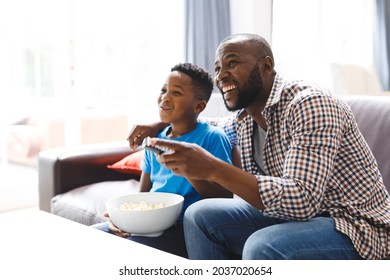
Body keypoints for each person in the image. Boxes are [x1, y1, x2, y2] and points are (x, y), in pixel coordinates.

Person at [128, 34, 390, 260]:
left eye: (232, 63)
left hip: (354, 226)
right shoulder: (246, 118)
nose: (221, 76)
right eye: (218, 68)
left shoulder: (310, 103)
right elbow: (203, 122)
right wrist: (157, 126)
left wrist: (214, 169)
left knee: (261, 246)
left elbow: (303, 200)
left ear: (266, 66)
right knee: (199, 215)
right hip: (296, 218)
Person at [94, 62, 235, 258]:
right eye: (163, 90)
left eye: (176, 93)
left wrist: (187, 170)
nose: (165, 98)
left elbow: (225, 198)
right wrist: (122, 218)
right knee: (92, 237)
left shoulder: (213, 138)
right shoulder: (155, 138)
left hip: (184, 229)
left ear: (199, 106)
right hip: (147, 223)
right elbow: (142, 195)